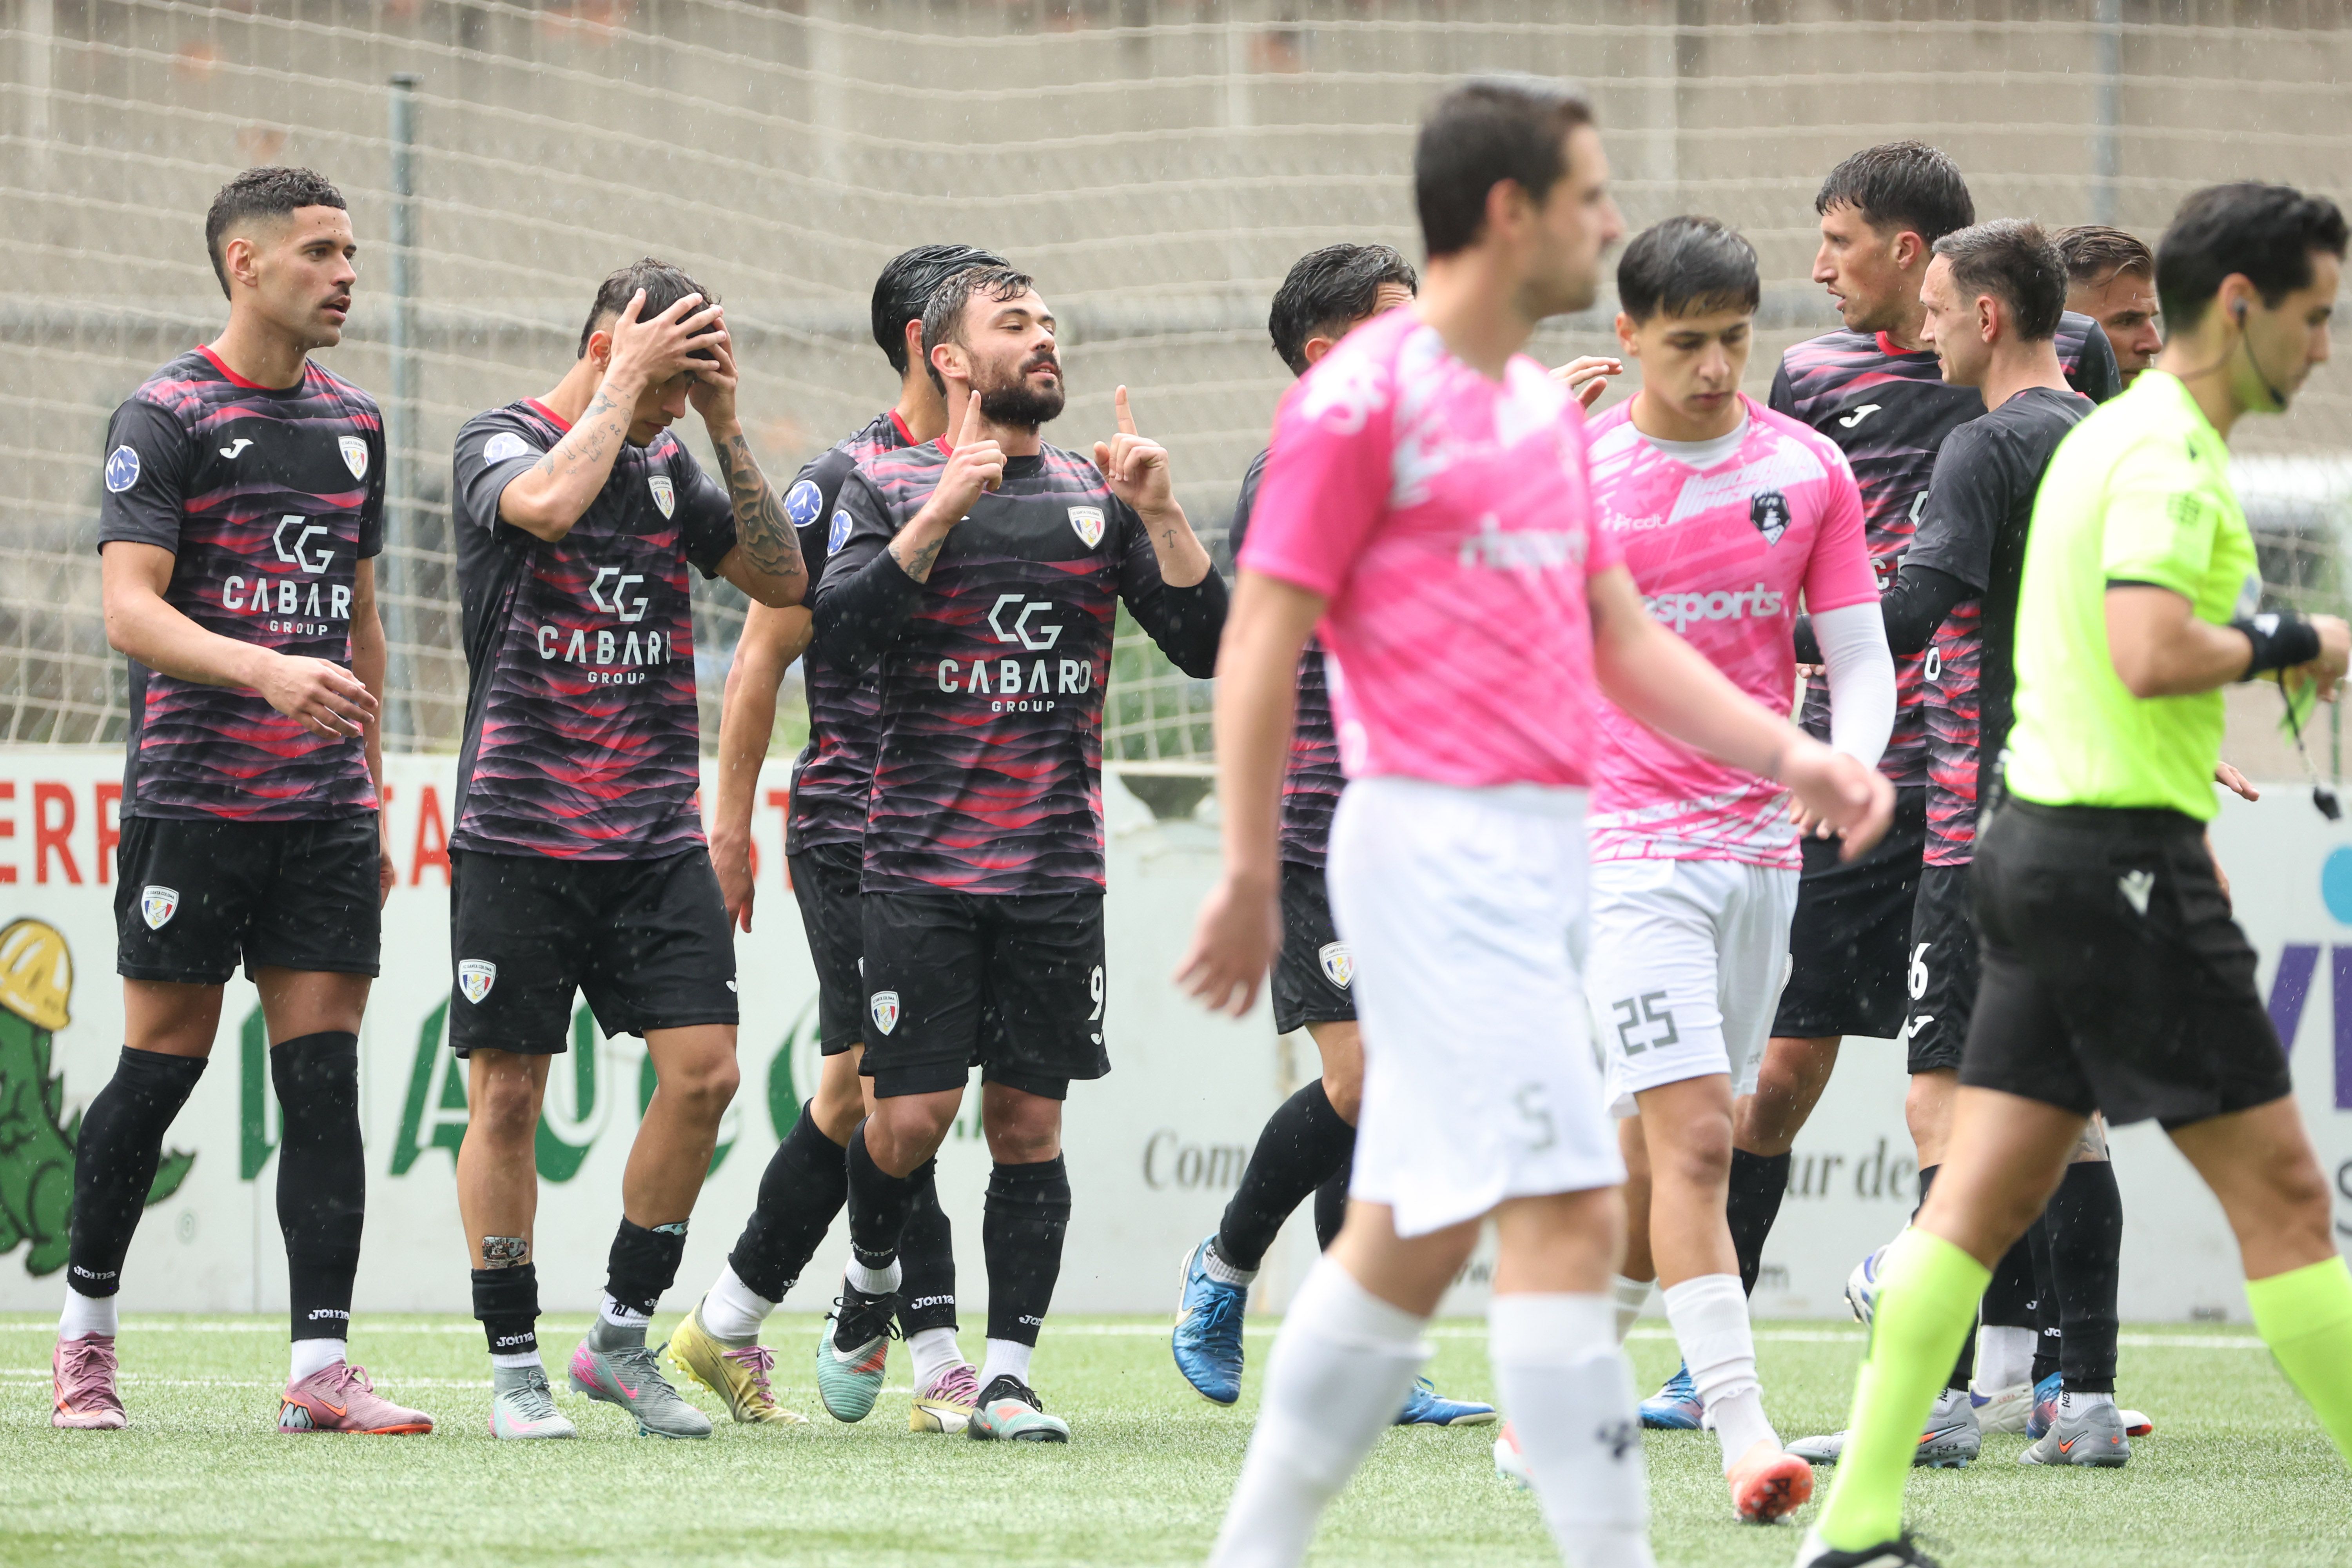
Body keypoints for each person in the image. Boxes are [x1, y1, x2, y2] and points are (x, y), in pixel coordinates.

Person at [1179, 78, 1893, 1568]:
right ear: (1512, 216)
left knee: (1413, 1233)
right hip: (1433, 859)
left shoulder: (1528, 410)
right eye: (1589, 197)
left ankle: (1252, 1546)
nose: (1611, 223)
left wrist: (1798, 757)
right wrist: (1247, 867)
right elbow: (1257, 643)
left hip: (1547, 854)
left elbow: (1616, 634)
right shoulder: (1360, 399)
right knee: (1571, 1205)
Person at [1795, 180, 2352, 1568]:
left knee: (1977, 1195)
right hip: (2116, 858)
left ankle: (1856, 1523)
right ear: (2247, 308)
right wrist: (2305, 639)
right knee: (2285, 1203)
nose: (2328, 347)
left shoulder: (2095, 438)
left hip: (2033, 842)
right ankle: (2012, 1426)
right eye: (2319, 315)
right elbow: (2153, 649)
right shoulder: (2150, 450)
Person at [1663, 141, 2120, 1431]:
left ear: (1927, 267)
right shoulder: (1814, 378)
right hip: (1869, 777)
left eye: (1842, 244)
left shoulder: (2053, 375)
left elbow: (1991, 588)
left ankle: (2007, 1383)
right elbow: (1790, 540)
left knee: (1983, 1095)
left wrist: (1723, 631)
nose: (1821, 270)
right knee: (1789, 1073)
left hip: (1983, 779)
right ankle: (1718, 1359)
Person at [809, 265, 1227, 1443]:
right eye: (1015, 326)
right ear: (948, 356)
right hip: (918, 870)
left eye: (1050, 323)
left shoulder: (1099, 493)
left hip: (1053, 874)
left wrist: (1161, 513)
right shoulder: (880, 480)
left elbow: (1210, 646)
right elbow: (833, 633)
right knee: (905, 1122)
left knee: (1027, 1130)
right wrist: (939, 513)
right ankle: (871, 1277)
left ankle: (1004, 1373)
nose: (1046, 341)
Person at [57, 167, 430, 1438]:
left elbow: (366, 630)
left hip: (321, 816)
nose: (345, 275)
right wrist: (266, 670)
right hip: (194, 798)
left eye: (351, 253)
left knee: (323, 1084)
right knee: (158, 1069)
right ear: (245, 265)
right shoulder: (161, 414)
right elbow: (129, 610)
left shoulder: (357, 424)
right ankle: (86, 1342)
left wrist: (370, 796)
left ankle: (321, 1366)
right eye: (320, 252)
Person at [1784, 220, 2125, 1468]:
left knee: (1940, 1103)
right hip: (2103, 813)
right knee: (2065, 1111)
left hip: (1985, 821)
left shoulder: (1983, 448)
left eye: (1932, 307)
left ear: (1986, 315)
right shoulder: (2114, 442)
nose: (1918, 328)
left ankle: (1926, 1399)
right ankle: (2080, 1403)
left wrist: (1754, 617)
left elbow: (1913, 612)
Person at [446, 258, 806, 1440]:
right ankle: (512, 1368)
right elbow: (545, 505)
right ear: (609, 347)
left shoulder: (669, 459)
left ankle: (617, 1337)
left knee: (704, 1073)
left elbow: (779, 575)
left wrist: (726, 425)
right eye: (665, 376)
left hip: (652, 832)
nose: (669, 407)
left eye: (685, 384)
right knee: (507, 1095)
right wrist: (625, 393)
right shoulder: (495, 440)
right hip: (520, 826)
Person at [1575, 215, 1893, 1523]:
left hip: (1762, 852)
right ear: (1630, 337)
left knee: (1661, 1158)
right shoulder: (1575, 474)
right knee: (1700, 1139)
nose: (1715, 368)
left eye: (1733, 341)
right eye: (1688, 342)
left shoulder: (1809, 468)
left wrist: (1852, 764)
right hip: (1621, 853)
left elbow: (1858, 658)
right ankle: (1745, 1432)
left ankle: (1566, 1388)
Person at [670, 243, 1007, 1435]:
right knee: (884, 1081)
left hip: (972, 835)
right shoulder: (844, 479)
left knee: (845, 1095)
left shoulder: (1020, 474)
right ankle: (933, 1348)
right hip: (855, 828)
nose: (1022, 334)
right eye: (994, 316)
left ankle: (722, 1319)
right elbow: (760, 664)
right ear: (932, 343)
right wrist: (728, 826)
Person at [1170, 243, 1492, 1431]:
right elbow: (1257, 646)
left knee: (1395, 1098)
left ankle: (1372, 1356)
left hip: (1423, 826)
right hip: (1318, 824)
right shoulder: (1297, 466)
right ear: (1328, 354)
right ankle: (1224, 1264)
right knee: (1364, 1081)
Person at [2056, 225, 2163, 385]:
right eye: (2127, 321)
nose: (2155, 345)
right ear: (2059, 325)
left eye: (2152, 320)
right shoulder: (2014, 408)